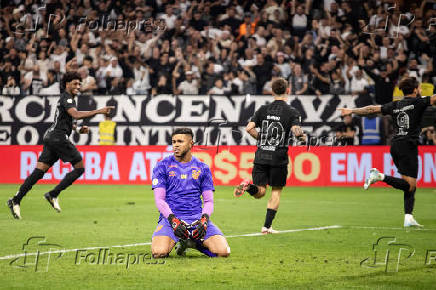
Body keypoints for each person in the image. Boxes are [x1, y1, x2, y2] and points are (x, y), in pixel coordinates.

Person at [7, 71, 115, 219]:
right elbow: (75, 115)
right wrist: (99, 111)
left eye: (79, 83)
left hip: (51, 137)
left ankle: (16, 199)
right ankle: (53, 194)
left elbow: (68, 119)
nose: (78, 86)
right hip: (58, 137)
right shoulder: (67, 98)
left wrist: (77, 129)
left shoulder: (68, 99)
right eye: (75, 83)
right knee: (80, 168)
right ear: (67, 84)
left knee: (39, 171)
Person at [338, 77, 436, 227]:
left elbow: (371, 109)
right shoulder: (419, 102)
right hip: (408, 145)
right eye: (420, 88)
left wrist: (351, 110)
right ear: (416, 90)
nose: (421, 90)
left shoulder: (396, 104)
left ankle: (408, 217)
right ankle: (379, 176)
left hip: (395, 144)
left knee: (410, 184)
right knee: (410, 185)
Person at [233, 78, 305, 234]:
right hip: (278, 158)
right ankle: (266, 227)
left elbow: (249, 128)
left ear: (272, 91)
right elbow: (296, 130)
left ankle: (248, 186)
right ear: (288, 90)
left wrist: (261, 139)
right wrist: (302, 137)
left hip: (261, 156)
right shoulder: (292, 112)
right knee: (275, 192)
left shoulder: (263, 109)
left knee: (260, 191)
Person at [151, 128, 230, 258]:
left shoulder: (202, 168)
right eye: (174, 141)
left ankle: (194, 243)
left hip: (197, 219)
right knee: (159, 252)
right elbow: (160, 200)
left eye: (180, 141)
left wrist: (204, 220)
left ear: (191, 144)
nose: (176, 145)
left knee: (223, 252)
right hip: (171, 219)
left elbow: (209, 201)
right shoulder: (162, 166)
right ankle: (179, 240)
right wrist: (173, 220)